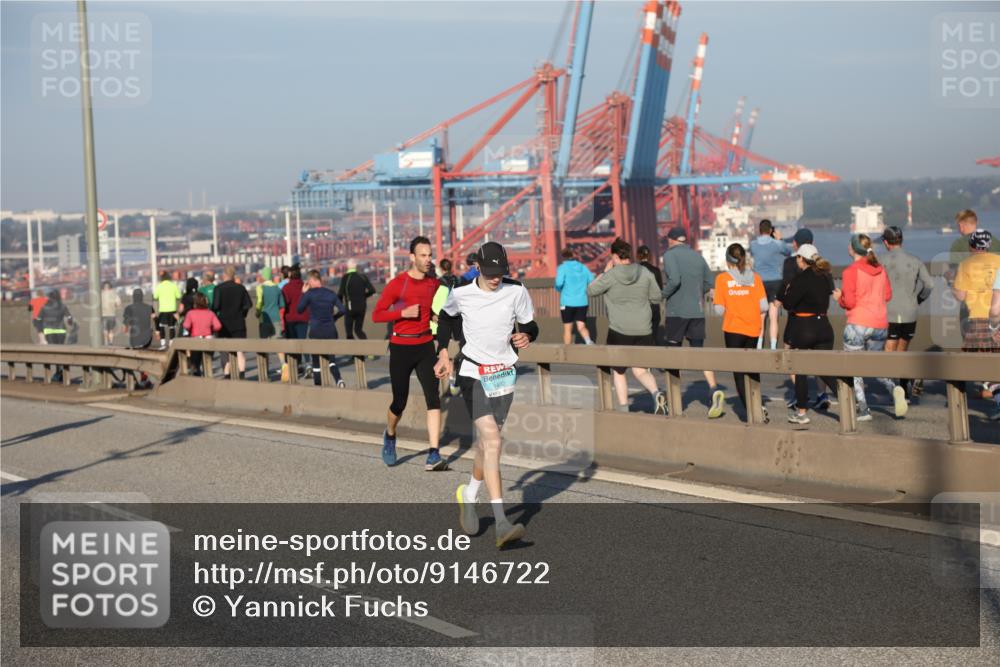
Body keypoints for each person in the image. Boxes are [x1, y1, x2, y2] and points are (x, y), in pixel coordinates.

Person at [434, 241, 539, 548]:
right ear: (477, 267)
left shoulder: (516, 290)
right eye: (490, 272)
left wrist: (526, 335)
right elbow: (446, 319)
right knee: (493, 440)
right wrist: (443, 353)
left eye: (500, 272)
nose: (496, 278)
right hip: (472, 372)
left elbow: (531, 324)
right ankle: (502, 523)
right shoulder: (462, 293)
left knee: (488, 444)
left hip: (504, 374)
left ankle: (469, 493)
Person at [372, 236, 447, 471]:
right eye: (423, 255)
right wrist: (402, 313)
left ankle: (433, 454)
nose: (427, 259)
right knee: (400, 401)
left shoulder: (433, 284)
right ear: (412, 257)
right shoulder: (398, 284)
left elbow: (433, 309)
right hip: (401, 346)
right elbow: (377, 314)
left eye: (430, 255)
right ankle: (391, 434)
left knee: (433, 398)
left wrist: (437, 317)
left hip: (425, 345)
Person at [587, 238, 666, 414]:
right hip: (644, 329)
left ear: (614, 256)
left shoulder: (611, 276)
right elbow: (656, 297)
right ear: (629, 255)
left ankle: (624, 408)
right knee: (640, 370)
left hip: (619, 330)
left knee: (619, 371)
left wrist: (605, 272)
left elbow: (591, 291)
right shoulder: (645, 272)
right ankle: (656, 394)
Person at [837, 233, 907, 421]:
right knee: (876, 365)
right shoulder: (880, 270)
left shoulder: (850, 271)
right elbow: (888, 295)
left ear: (852, 249)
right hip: (879, 324)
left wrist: (839, 299)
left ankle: (864, 410)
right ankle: (894, 389)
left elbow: (849, 302)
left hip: (858, 324)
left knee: (855, 368)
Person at [661, 226, 722, 417]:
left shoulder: (669, 255)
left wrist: (661, 295)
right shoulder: (697, 256)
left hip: (676, 312)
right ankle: (713, 388)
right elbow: (708, 283)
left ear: (671, 240)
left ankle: (674, 400)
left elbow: (675, 280)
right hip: (697, 311)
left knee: (673, 357)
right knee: (699, 353)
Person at [780, 245, 840, 425]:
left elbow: (789, 304)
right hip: (824, 326)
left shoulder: (800, 279)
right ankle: (846, 396)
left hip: (804, 327)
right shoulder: (825, 276)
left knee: (800, 370)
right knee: (825, 369)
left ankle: (801, 413)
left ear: (801, 259)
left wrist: (786, 293)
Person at [713, 244, 768, 422]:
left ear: (728, 260)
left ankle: (753, 410)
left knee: (738, 372)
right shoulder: (756, 277)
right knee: (752, 369)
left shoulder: (722, 279)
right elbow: (764, 306)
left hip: (733, 329)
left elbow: (719, 311)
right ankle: (759, 403)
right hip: (753, 328)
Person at [880, 226, 933, 398]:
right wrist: (918, 299)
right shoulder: (915, 260)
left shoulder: (881, 260)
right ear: (901, 240)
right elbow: (929, 285)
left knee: (889, 353)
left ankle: (895, 392)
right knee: (902, 351)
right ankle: (905, 387)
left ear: (886, 242)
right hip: (910, 311)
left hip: (889, 311)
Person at [953, 229, 1000, 356]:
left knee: (974, 363)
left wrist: (952, 284)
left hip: (977, 319)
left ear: (970, 245)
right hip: (997, 318)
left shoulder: (965, 264)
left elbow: (960, 296)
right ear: (989, 245)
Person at [297, 269, 347, 388]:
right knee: (331, 360)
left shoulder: (309, 294)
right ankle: (339, 380)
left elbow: (299, 309)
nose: (308, 284)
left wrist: (304, 293)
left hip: (315, 331)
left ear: (313, 280)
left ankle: (318, 386)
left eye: (309, 282)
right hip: (330, 330)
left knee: (316, 362)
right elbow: (343, 310)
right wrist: (334, 318)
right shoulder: (330, 293)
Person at [749, 219, 791, 350]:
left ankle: (759, 345)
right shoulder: (777, 244)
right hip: (776, 282)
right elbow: (788, 252)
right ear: (771, 230)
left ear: (759, 230)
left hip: (759, 282)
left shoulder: (753, 244)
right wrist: (779, 239)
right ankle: (773, 347)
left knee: (761, 316)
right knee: (774, 317)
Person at [212, 265, 252, 379]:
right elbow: (248, 305)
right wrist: (242, 315)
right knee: (240, 350)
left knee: (225, 351)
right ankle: (242, 373)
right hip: (239, 322)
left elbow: (215, 307)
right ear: (233, 275)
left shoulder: (219, 289)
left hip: (224, 324)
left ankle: (227, 374)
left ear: (224, 275)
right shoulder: (241, 288)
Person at [554, 246, 595, 345]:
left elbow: (559, 283)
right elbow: (592, 279)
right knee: (581, 326)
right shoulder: (583, 267)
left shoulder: (562, 268)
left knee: (567, 329)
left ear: (563, 257)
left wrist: (558, 288)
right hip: (582, 302)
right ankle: (589, 343)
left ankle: (567, 353)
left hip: (567, 302)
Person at [281, 266, 310, 382]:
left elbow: (285, 303)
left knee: (292, 343)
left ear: (290, 275)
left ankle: (295, 366)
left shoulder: (286, 288)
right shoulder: (305, 286)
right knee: (303, 342)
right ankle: (307, 364)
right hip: (304, 317)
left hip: (290, 318)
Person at [182, 292, 221, 376]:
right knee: (207, 360)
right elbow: (218, 326)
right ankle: (208, 376)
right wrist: (211, 329)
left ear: (195, 303)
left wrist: (191, 329)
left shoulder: (191, 313)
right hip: (208, 338)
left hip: (196, 339)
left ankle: (197, 374)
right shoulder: (210, 313)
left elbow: (186, 325)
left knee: (195, 362)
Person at [338, 259, 376, 340]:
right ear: (356, 266)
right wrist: (363, 296)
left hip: (350, 308)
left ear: (347, 266)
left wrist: (340, 306)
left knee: (349, 332)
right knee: (358, 330)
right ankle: (368, 350)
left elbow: (340, 294)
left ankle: (353, 351)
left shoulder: (346, 277)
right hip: (362, 307)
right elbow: (372, 290)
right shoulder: (362, 276)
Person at [636, 245, 664, 343]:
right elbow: (660, 289)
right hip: (653, 306)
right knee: (653, 334)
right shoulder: (656, 270)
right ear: (649, 256)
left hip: (638, 307)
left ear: (638, 256)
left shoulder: (634, 270)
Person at [153, 271, 181, 347]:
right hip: (172, 310)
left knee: (161, 326)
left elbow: (155, 297)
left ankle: (163, 344)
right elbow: (178, 296)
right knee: (172, 327)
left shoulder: (159, 286)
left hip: (163, 310)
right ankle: (171, 343)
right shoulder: (173, 285)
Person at [100, 281, 121, 345]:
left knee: (105, 329)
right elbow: (118, 303)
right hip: (112, 314)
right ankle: (111, 342)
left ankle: (106, 342)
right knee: (111, 330)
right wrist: (115, 307)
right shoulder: (114, 294)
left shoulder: (100, 294)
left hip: (103, 314)